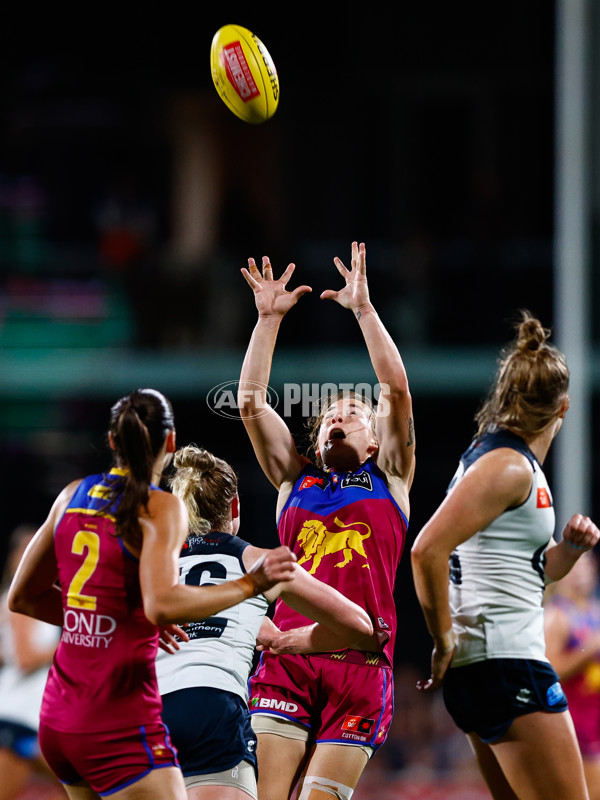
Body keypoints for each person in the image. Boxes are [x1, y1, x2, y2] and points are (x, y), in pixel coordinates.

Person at [7, 388, 297, 800]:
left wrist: (120, 617)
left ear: (112, 440)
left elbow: (23, 597)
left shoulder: (71, 495)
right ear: (171, 441)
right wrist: (250, 584)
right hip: (115, 716)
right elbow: (162, 605)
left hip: (59, 719)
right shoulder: (159, 507)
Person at [237, 241, 416, 800]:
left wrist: (364, 310)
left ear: (374, 441)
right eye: (330, 415)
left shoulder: (391, 478)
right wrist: (267, 321)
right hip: (289, 656)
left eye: (355, 413)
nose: (340, 416)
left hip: (361, 662)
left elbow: (396, 389)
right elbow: (250, 404)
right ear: (316, 443)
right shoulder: (293, 483)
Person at [410, 311, 600, 800]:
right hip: (508, 664)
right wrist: (442, 640)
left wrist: (570, 550)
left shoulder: (497, 460)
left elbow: (530, 571)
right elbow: (426, 550)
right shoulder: (508, 468)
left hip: (488, 666)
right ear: (563, 407)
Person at [155, 444, 373, 800]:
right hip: (213, 707)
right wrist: (290, 641)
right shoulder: (259, 562)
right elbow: (357, 624)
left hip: (147, 712)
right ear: (235, 506)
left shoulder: (152, 569)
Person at [0, 525, 62, 800]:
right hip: (19, 718)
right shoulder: (21, 599)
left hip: (31, 716)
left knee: (73, 788)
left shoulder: (28, 597)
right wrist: (71, 644)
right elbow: (26, 658)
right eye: (26, 550)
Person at [544, 551, 600, 800]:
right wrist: (589, 650)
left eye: (586, 566)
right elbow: (550, 671)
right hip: (574, 723)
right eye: (575, 566)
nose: (581, 573)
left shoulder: (595, 611)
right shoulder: (557, 615)